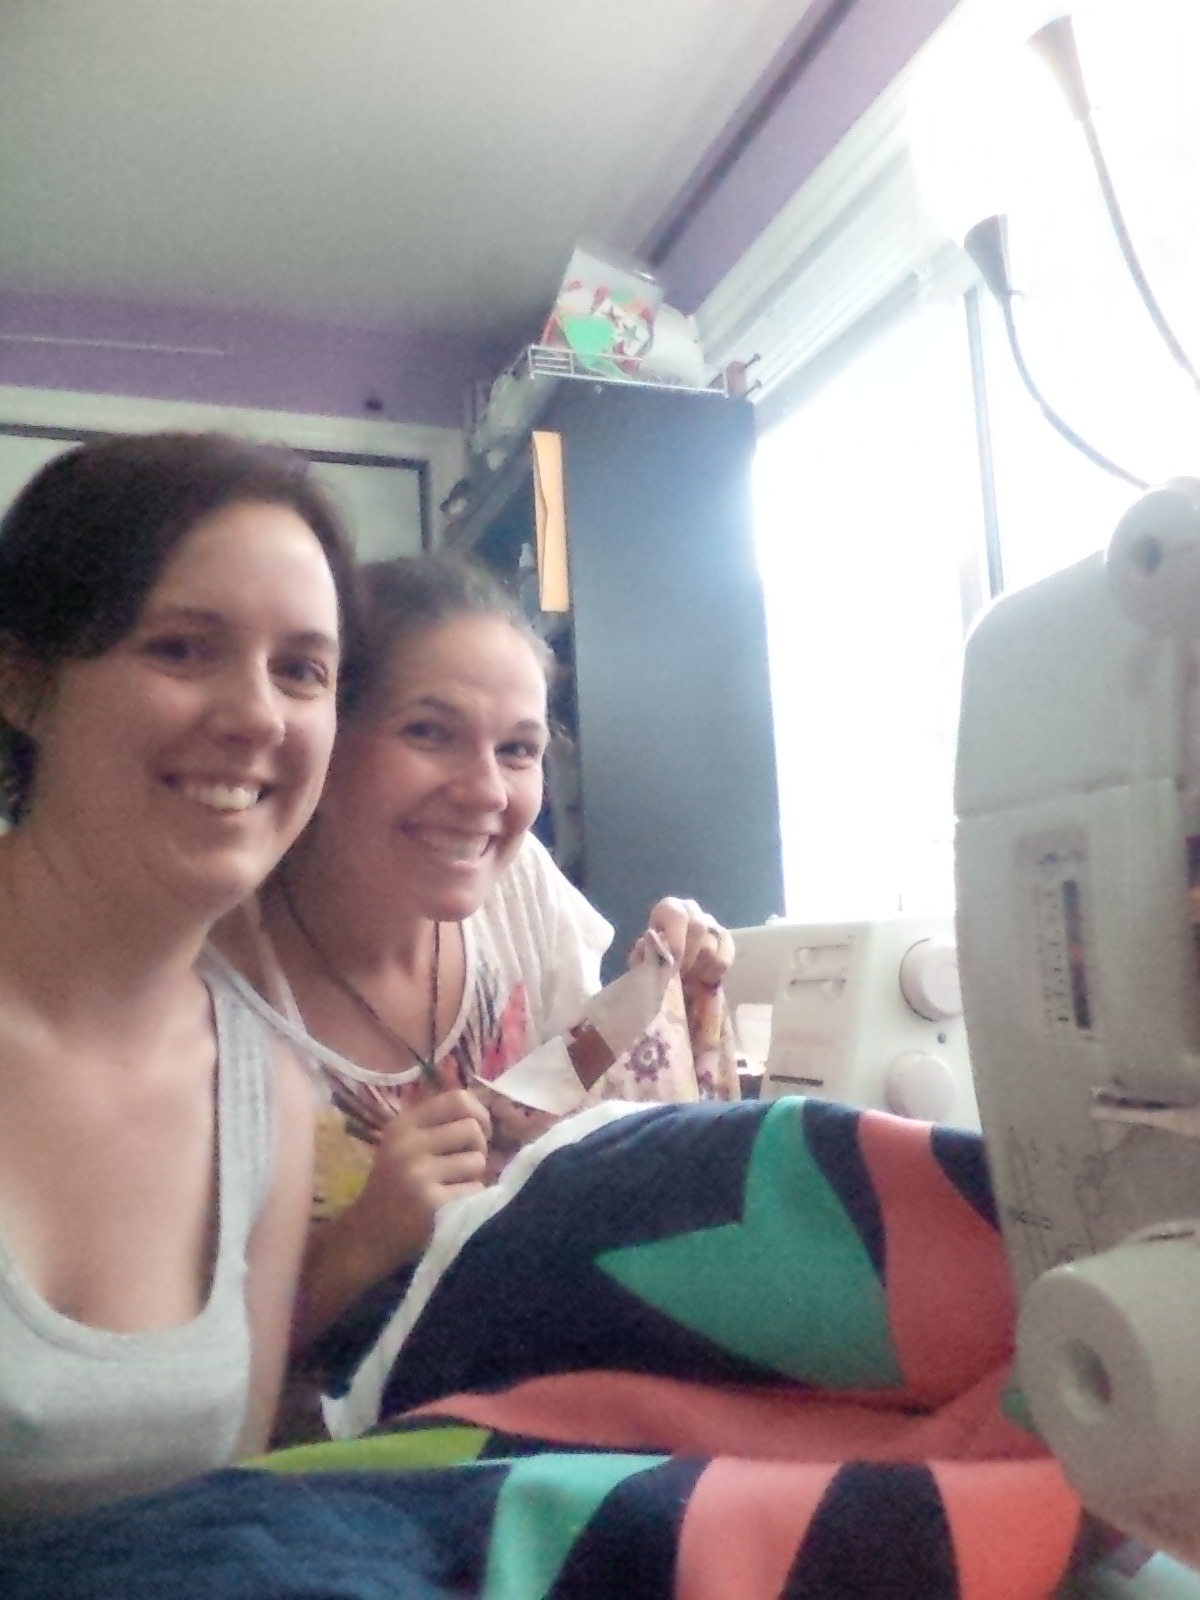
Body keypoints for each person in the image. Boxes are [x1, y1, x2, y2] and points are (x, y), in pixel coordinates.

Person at [212, 552, 738, 1359]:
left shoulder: (517, 887)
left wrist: (664, 990)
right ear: (325, 737)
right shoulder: (208, 985)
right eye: (430, 733)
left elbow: (573, 1081)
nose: (487, 792)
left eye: (519, 750)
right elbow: (163, 1378)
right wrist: (362, 1241)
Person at [0, 431, 358, 1522]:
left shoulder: (266, 1094)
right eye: (183, 649)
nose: (258, 717)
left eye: (302, 670)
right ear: (21, 680)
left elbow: (209, 1530)